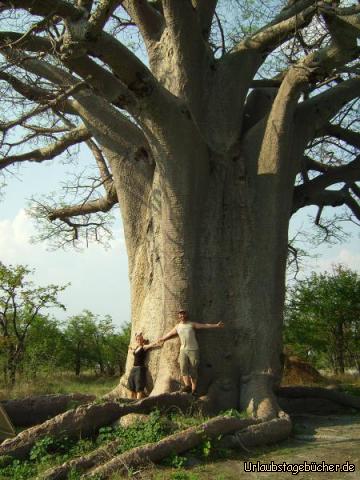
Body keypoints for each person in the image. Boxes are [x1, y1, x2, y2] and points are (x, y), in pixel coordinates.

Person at [158, 310, 224, 395]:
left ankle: (194, 390)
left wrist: (216, 325)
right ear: (179, 316)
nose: (182, 315)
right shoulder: (177, 326)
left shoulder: (191, 324)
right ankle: (187, 386)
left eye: (183, 314)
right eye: (180, 314)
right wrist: (162, 339)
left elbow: (204, 326)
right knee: (183, 368)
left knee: (193, 370)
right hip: (183, 350)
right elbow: (170, 334)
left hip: (193, 349)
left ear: (186, 315)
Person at [128, 332, 161, 399]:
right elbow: (133, 350)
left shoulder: (144, 347)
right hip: (133, 369)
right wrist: (131, 348)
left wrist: (158, 342)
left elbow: (152, 345)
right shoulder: (136, 347)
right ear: (136, 340)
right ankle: (131, 402)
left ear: (142, 340)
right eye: (138, 339)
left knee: (139, 386)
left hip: (140, 369)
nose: (139, 341)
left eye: (140, 339)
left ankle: (137, 402)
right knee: (131, 385)